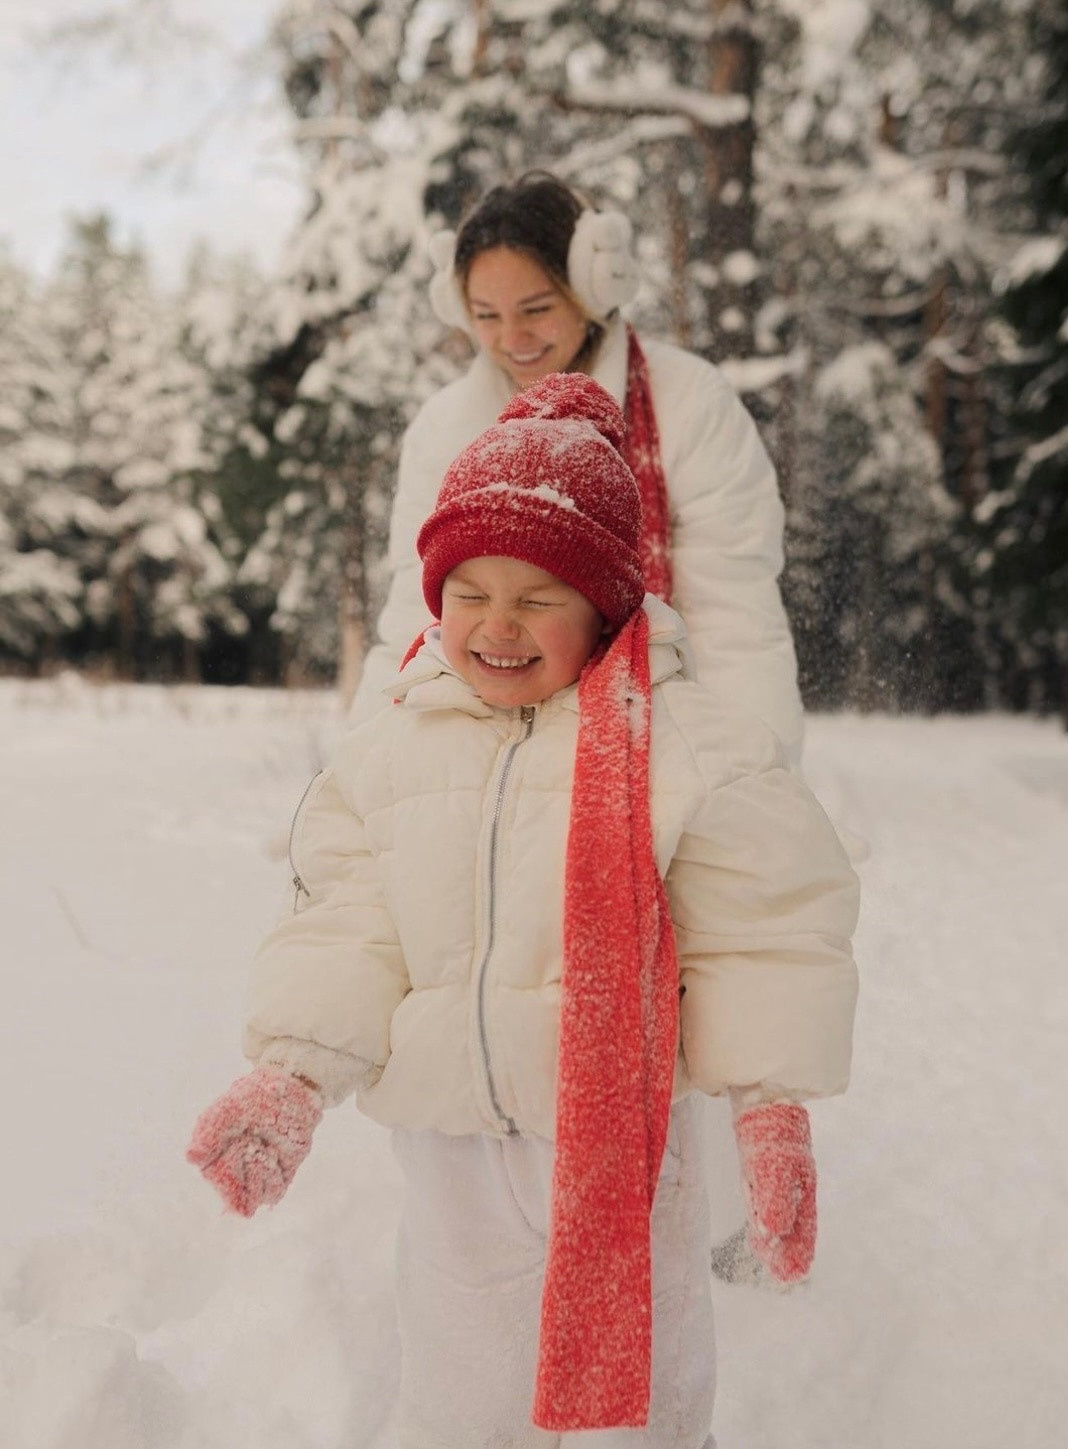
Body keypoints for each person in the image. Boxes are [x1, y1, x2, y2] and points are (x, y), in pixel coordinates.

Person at [187, 375, 858, 1448]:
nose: (497, 624)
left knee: (641, 1396)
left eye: (539, 597)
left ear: (605, 604)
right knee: (456, 1391)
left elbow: (766, 929)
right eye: (469, 593)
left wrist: (771, 1105)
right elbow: (350, 924)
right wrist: (294, 1070)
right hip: (453, 1142)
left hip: (630, 1141)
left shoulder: (688, 740)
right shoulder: (393, 748)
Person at [350, 171, 805, 767]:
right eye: (485, 315)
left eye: (536, 308)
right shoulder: (443, 429)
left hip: (661, 751)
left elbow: (735, 626)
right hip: (479, 772)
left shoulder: (690, 403)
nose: (512, 338)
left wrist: (754, 785)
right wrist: (358, 776)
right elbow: (415, 620)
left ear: (593, 289)